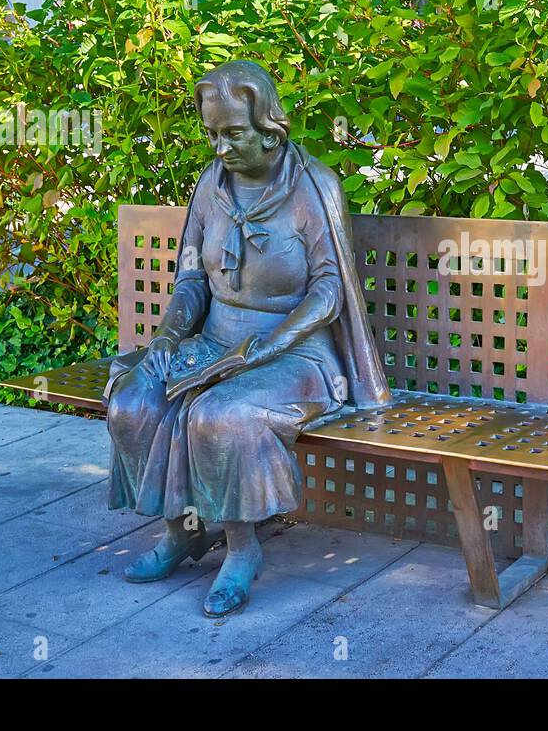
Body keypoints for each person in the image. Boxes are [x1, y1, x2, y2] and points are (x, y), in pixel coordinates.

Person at [103, 60, 390, 616]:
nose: (221, 148)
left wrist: (267, 345)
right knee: (136, 399)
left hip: (297, 351)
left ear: (270, 128)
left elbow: (331, 289)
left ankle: (241, 549)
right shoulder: (211, 184)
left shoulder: (313, 186)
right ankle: (184, 530)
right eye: (213, 135)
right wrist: (166, 337)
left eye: (233, 134)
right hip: (213, 339)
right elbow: (191, 275)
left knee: (222, 414)